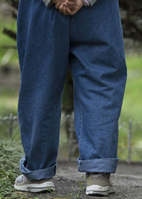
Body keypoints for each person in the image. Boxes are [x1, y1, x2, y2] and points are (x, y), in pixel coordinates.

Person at [13, 0, 127, 196]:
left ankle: (38, 174)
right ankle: (98, 173)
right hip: (99, 10)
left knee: (40, 82)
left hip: (42, 9)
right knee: (100, 81)